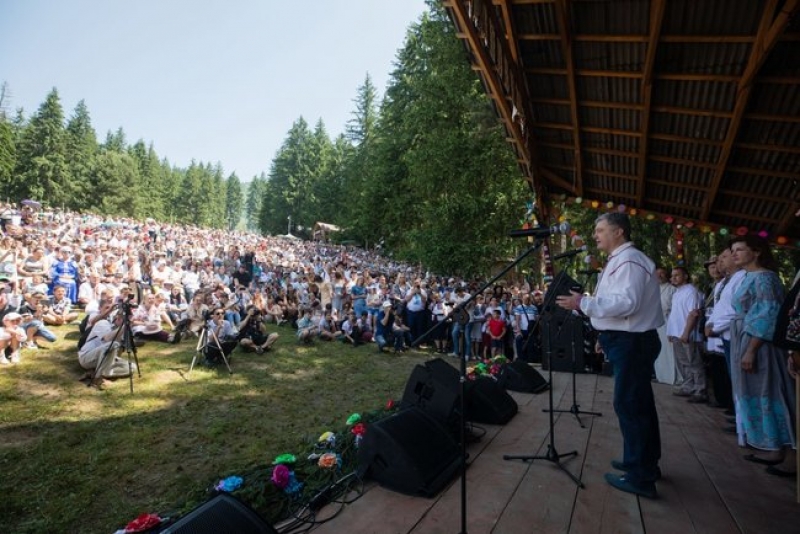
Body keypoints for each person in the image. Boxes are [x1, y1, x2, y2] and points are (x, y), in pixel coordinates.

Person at [556, 212, 663, 499]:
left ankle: (640, 476)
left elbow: (626, 303)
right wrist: (604, 332)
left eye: (600, 230)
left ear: (618, 232)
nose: (595, 235)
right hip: (628, 339)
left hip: (633, 341)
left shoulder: (629, 261)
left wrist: (583, 303)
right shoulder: (622, 261)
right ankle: (644, 463)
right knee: (639, 403)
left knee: (630, 404)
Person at [728, 235, 796, 476]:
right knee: (754, 392)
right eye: (733, 250)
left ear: (756, 252)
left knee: (771, 390)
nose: (734, 254)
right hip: (745, 336)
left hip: (760, 343)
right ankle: (771, 445)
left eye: (740, 249)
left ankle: (788, 450)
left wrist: (752, 349)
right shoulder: (749, 277)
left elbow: (768, 314)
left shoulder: (766, 278)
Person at [667, 266, 706, 402]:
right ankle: (688, 386)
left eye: (677, 275)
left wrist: (686, 332)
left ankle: (700, 390)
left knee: (694, 362)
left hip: (688, 334)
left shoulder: (691, 291)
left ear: (686, 276)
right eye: (672, 276)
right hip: (677, 333)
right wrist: (670, 332)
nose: (673, 278)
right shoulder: (677, 293)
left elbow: (693, 314)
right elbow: (675, 314)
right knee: (684, 362)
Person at [77, 308, 137, 387]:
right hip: (86, 357)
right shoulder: (103, 323)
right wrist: (124, 326)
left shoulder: (122, 331)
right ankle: (98, 378)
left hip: (104, 359)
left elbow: (117, 352)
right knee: (113, 344)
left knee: (132, 367)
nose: (129, 324)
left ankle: (96, 372)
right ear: (118, 318)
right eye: (127, 320)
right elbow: (108, 339)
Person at [653, 267, 678, 384]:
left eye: (662, 273)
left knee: (670, 350)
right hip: (656, 323)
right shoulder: (653, 289)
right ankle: (661, 376)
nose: (659, 276)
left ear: (666, 275)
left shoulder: (672, 289)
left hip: (669, 322)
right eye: (657, 274)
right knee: (659, 350)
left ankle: (673, 377)